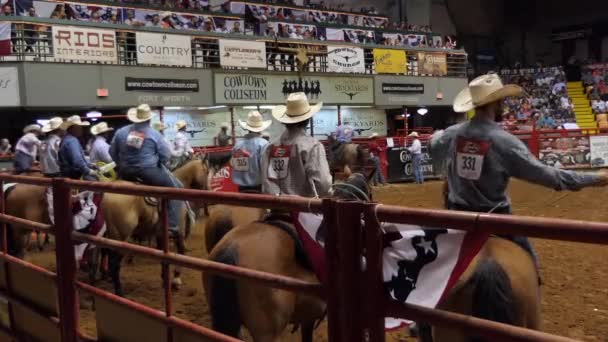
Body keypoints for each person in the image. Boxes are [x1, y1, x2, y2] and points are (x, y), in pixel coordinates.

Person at [430, 73, 608, 268]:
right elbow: (551, 176)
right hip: (496, 219)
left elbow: (434, 142)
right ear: (496, 102)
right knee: (530, 264)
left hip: (457, 218)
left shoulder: (453, 134)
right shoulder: (504, 142)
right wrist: (595, 178)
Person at [110, 105, 183, 235]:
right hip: (149, 172)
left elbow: (112, 152)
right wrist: (160, 162)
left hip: (125, 172)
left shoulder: (121, 132)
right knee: (176, 191)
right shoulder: (154, 134)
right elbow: (165, 155)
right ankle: (171, 226)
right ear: (149, 120)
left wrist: (121, 164)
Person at [261, 92, 331, 197]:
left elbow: (266, 182)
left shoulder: (270, 148)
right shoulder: (312, 146)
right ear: (307, 120)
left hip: (275, 206)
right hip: (304, 207)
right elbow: (323, 184)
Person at [231, 111, 271, 193]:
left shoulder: (237, 144)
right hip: (258, 188)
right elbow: (265, 168)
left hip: (241, 188)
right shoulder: (263, 144)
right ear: (260, 129)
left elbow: (233, 164)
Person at [58, 115, 97, 181]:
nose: (81, 129)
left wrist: (89, 165)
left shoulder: (66, 139)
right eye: (80, 127)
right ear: (74, 128)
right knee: (96, 183)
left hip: (67, 174)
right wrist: (88, 171)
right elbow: (77, 161)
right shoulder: (72, 141)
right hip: (73, 175)